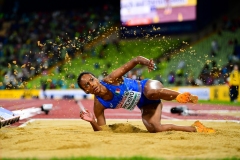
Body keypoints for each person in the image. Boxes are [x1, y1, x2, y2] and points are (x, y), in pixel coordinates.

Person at [77, 56, 215, 133]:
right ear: (86, 91)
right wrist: (92, 121)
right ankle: (196, 128)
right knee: (155, 128)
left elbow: (135, 60)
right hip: (144, 104)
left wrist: (147, 62)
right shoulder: (99, 105)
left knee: (150, 93)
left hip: (147, 86)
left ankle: (181, 96)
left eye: (91, 80)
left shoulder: (111, 80)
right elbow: (103, 131)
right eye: (87, 85)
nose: (91, 84)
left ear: (96, 79)